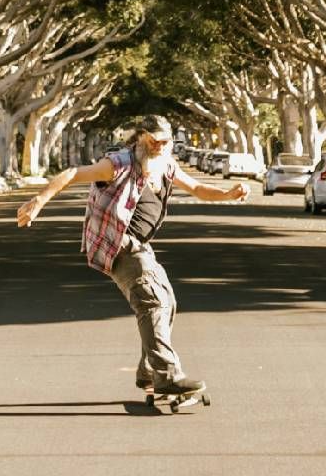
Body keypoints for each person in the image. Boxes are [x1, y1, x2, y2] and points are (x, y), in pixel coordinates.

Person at [17, 115, 248, 395]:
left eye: (165, 142)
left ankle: (148, 371)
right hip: (118, 242)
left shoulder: (167, 166)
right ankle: (167, 375)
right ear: (141, 137)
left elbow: (198, 189)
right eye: (154, 141)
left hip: (140, 245)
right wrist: (38, 201)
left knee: (168, 302)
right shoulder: (118, 164)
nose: (160, 147)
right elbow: (73, 174)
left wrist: (228, 194)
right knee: (152, 300)